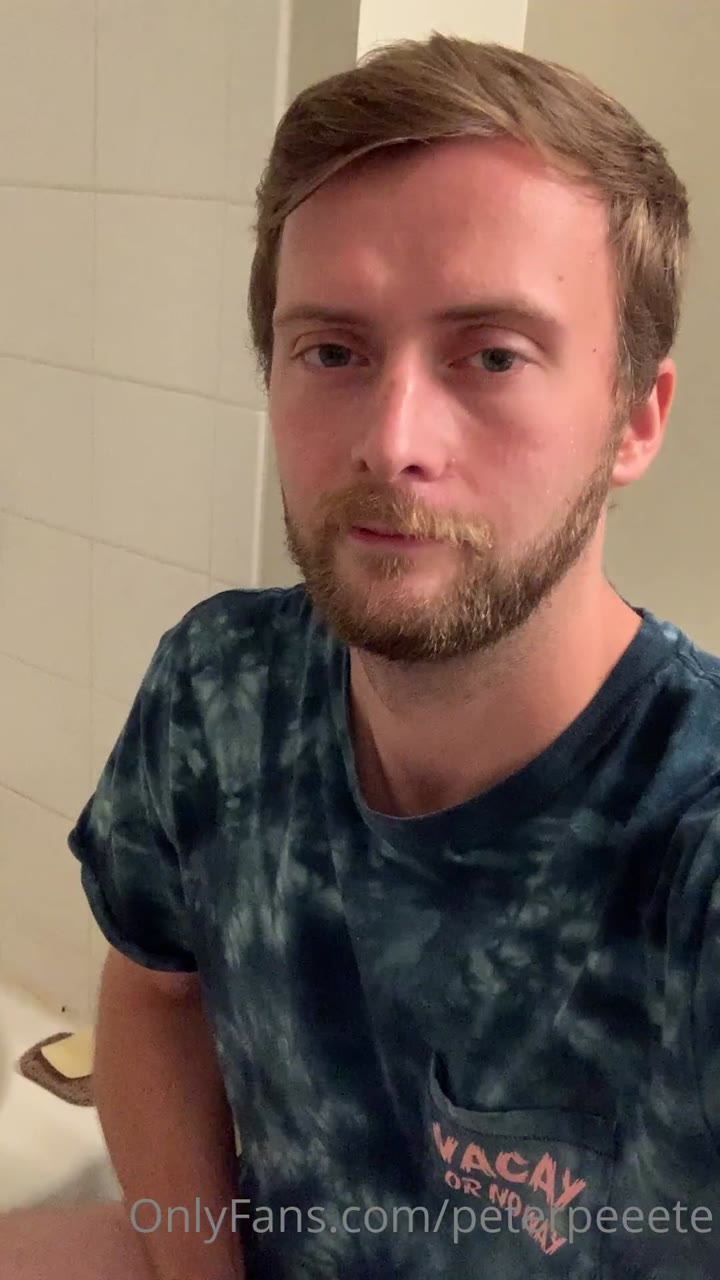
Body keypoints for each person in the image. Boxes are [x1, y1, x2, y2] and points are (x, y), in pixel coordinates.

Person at [4, 30, 719, 1280]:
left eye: (491, 355)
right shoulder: (220, 691)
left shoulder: (689, 844)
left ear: (634, 418)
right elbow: (157, 992)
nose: (393, 441)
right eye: (332, 350)